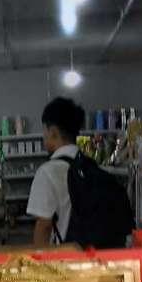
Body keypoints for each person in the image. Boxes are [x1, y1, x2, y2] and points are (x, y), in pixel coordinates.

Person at [26, 97, 85, 247]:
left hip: (65, 255)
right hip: (96, 254)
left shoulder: (47, 172)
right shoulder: (91, 166)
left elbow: (44, 226)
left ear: (53, 132)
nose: (44, 136)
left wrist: (38, 258)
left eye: (44, 130)